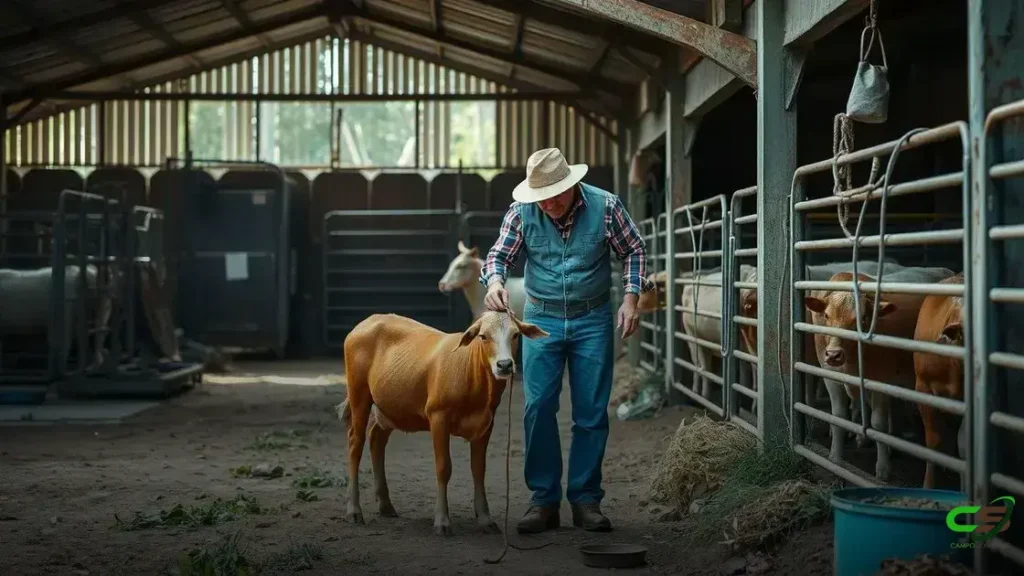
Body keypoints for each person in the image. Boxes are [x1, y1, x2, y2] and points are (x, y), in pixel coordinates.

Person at [479, 147, 653, 534]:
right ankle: (543, 501)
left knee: (591, 412)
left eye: (556, 194)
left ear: (572, 184)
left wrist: (630, 300)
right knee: (538, 406)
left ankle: (585, 499)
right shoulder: (521, 212)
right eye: (541, 197)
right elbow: (498, 257)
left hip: (592, 317)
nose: (550, 203)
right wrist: (493, 282)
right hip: (540, 319)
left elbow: (634, 251)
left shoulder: (606, 206)